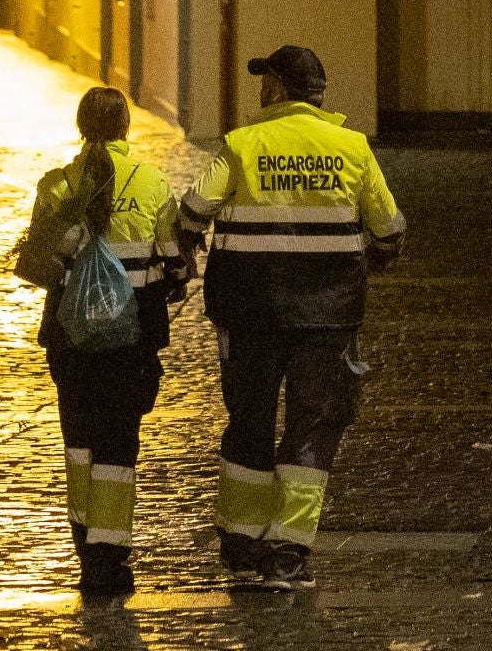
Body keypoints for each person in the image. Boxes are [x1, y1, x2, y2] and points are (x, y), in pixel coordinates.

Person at [178, 45, 405, 591]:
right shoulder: (351, 148)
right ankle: (288, 554)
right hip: (327, 319)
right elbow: (389, 226)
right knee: (312, 429)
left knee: (249, 421)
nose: (260, 90)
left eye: (265, 81)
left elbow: (192, 211)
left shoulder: (241, 144)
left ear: (277, 89)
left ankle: (240, 545)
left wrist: (184, 252)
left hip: (249, 314)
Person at [21, 86, 186, 599]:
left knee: (79, 445)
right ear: (125, 128)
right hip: (130, 340)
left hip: (71, 341)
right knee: (119, 445)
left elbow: (40, 264)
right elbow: (175, 262)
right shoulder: (154, 182)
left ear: (80, 126)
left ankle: (85, 548)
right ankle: (109, 561)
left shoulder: (56, 185)